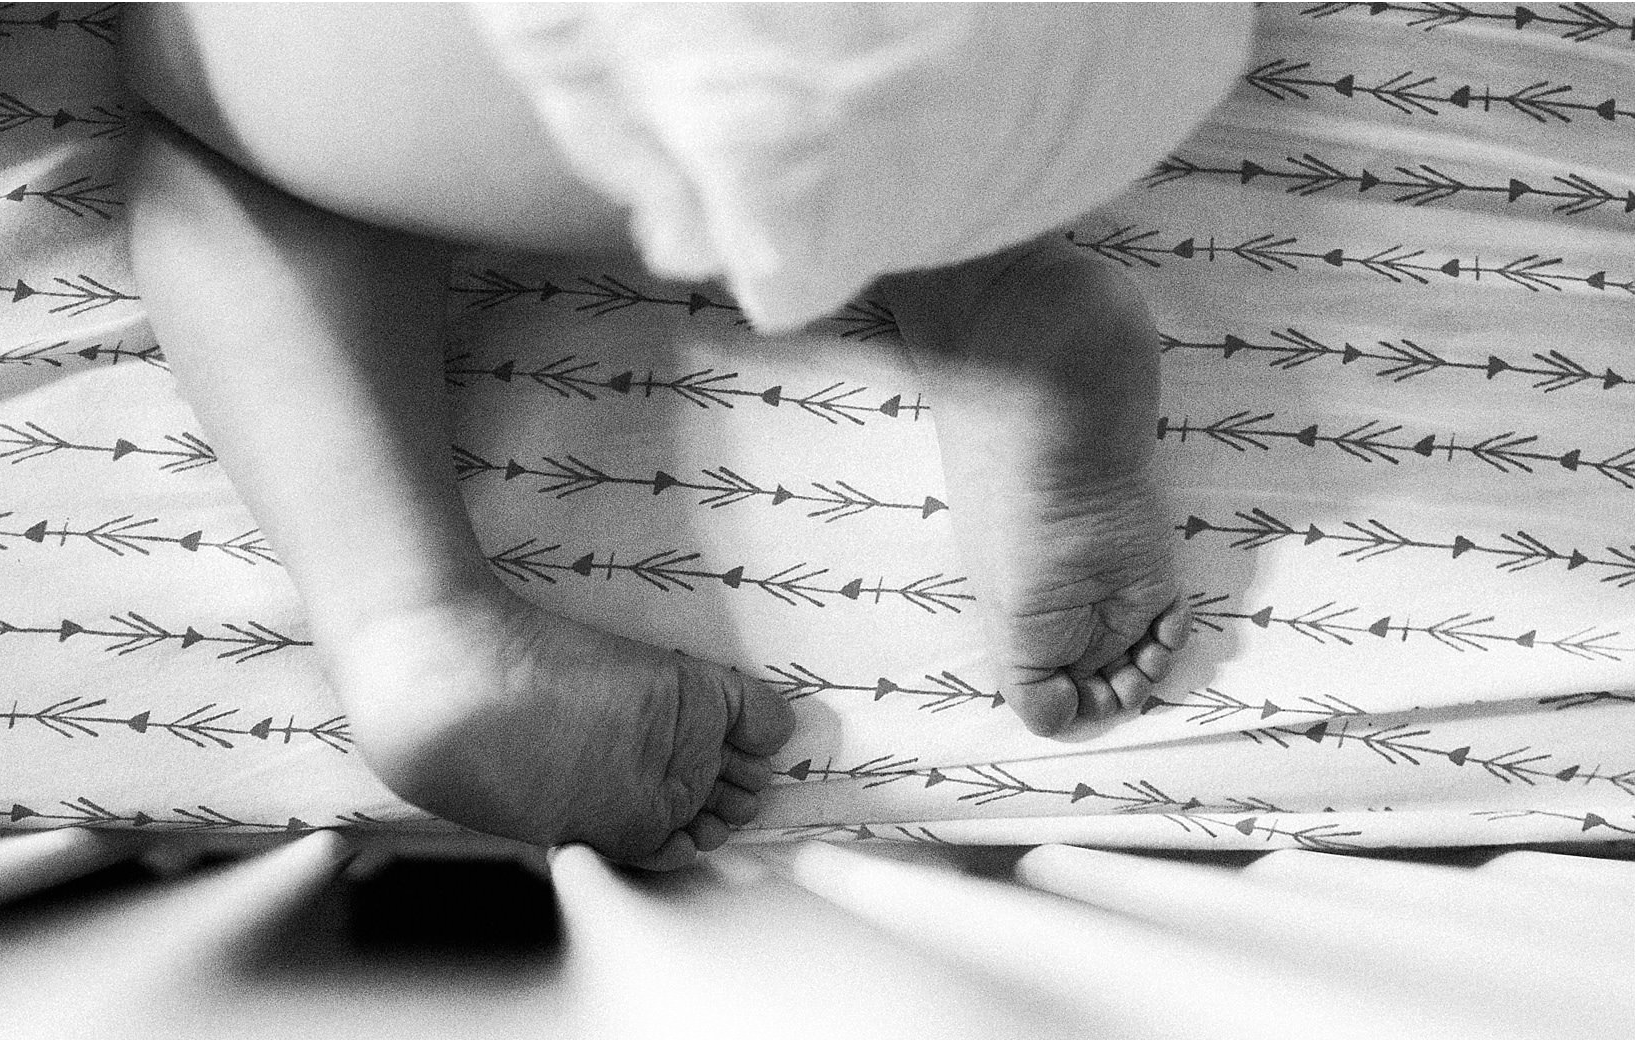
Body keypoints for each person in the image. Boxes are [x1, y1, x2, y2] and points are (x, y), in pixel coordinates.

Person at [121, 3, 1252, 870]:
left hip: (694, 81)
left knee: (195, 83)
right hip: (1127, 63)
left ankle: (414, 615)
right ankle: (988, 284)